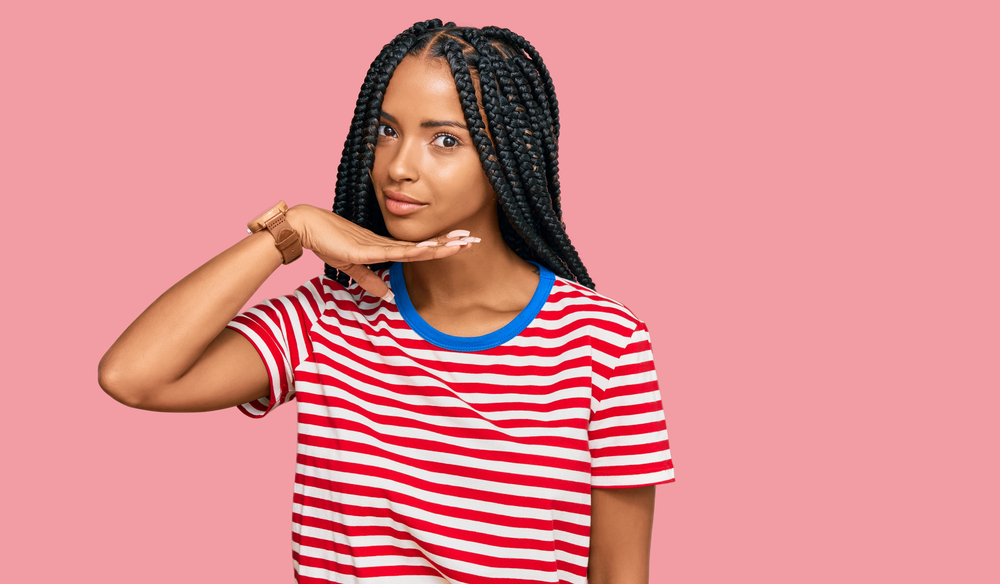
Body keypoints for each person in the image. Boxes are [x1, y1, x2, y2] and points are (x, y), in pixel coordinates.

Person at [99, 19, 673, 584]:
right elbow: (134, 376)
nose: (399, 166)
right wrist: (289, 231)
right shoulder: (326, 317)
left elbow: (621, 574)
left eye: (446, 140)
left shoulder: (603, 343)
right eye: (386, 130)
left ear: (510, 158)